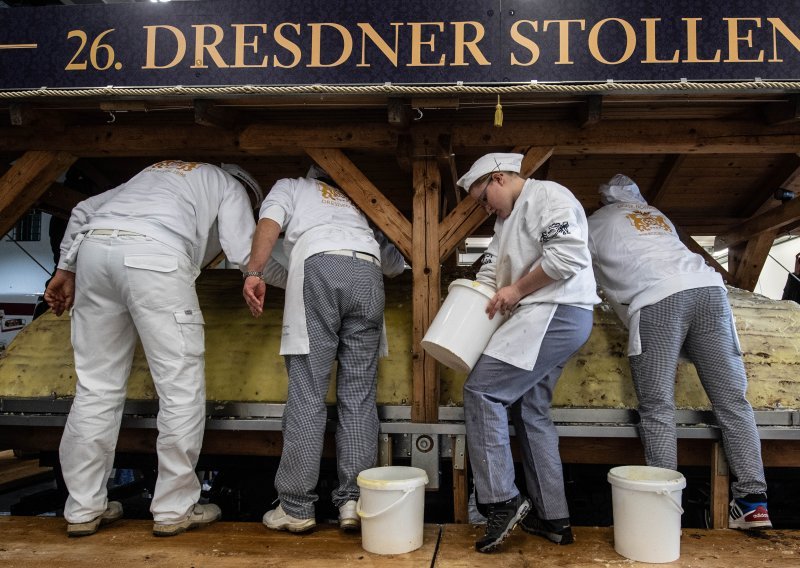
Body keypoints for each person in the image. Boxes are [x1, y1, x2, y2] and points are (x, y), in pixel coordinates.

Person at [45, 160, 286, 538]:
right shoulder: (231, 187)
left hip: (93, 253)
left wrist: (65, 269)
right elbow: (243, 253)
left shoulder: (154, 172)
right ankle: (175, 508)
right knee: (178, 388)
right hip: (156, 257)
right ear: (251, 194)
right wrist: (295, 274)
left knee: (96, 388)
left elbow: (82, 211)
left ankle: (82, 508)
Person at [587, 174, 772, 530]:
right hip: (709, 292)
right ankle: (753, 503)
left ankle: (664, 506)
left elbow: (575, 269)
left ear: (604, 202)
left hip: (657, 300)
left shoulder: (595, 222)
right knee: (733, 402)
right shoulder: (658, 216)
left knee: (658, 407)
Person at [242, 164, 405, 533]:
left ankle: (297, 506)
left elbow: (269, 220)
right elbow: (395, 264)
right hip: (368, 271)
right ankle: (352, 500)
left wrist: (255, 271)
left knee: (308, 391)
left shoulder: (291, 185)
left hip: (318, 265)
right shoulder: (359, 200)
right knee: (359, 394)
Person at [456, 153, 600, 552]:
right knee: (529, 409)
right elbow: (491, 270)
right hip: (554, 316)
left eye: (484, 198)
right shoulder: (505, 221)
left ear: (499, 178)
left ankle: (501, 500)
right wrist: (470, 300)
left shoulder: (549, 197)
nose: (485, 208)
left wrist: (516, 291)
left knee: (482, 391)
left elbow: (568, 257)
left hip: (554, 312)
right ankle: (553, 517)